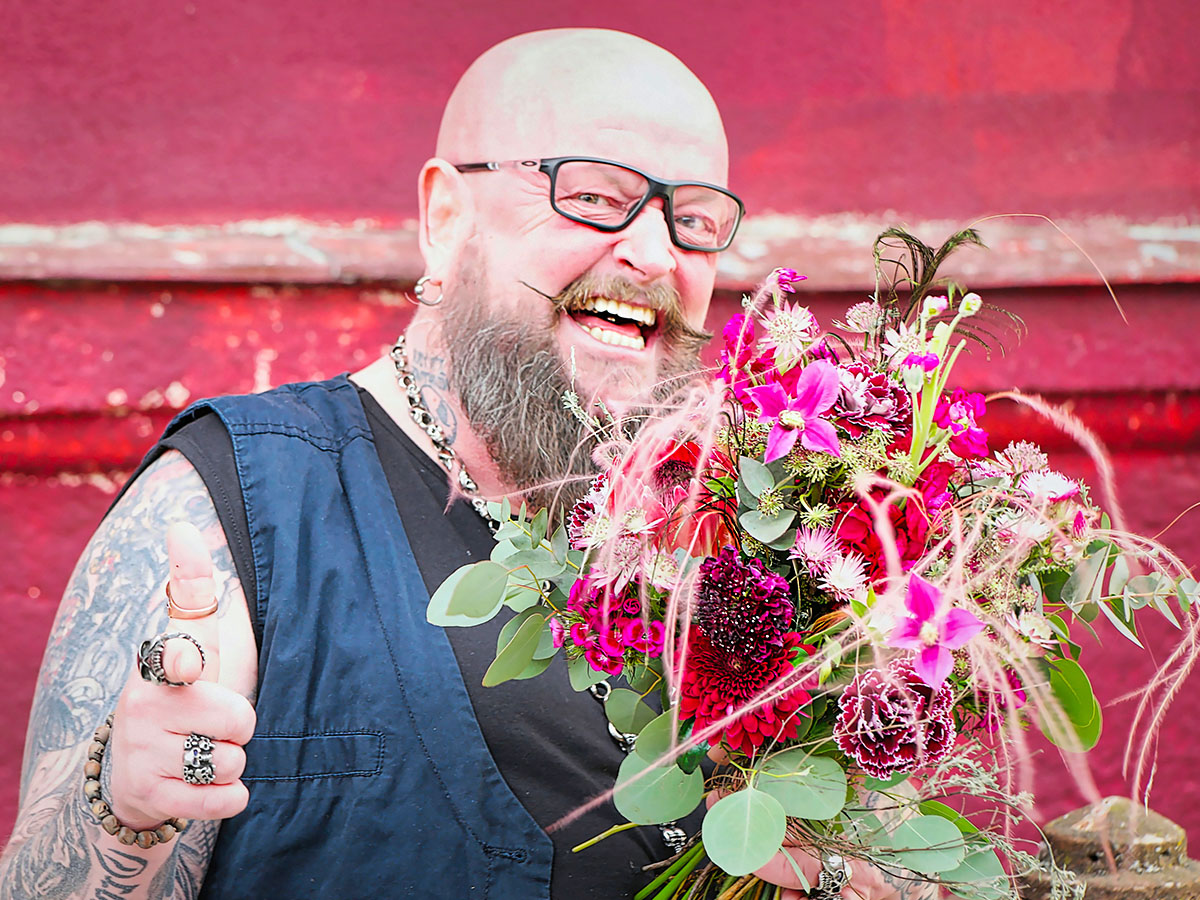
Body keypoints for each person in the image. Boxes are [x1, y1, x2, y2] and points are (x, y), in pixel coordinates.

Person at [0, 28, 926, 900]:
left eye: (693, 220)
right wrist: (123, 812)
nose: (651, 252)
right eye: (594, 196)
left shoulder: (772, 541)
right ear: (445, 217)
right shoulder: (234, 504)